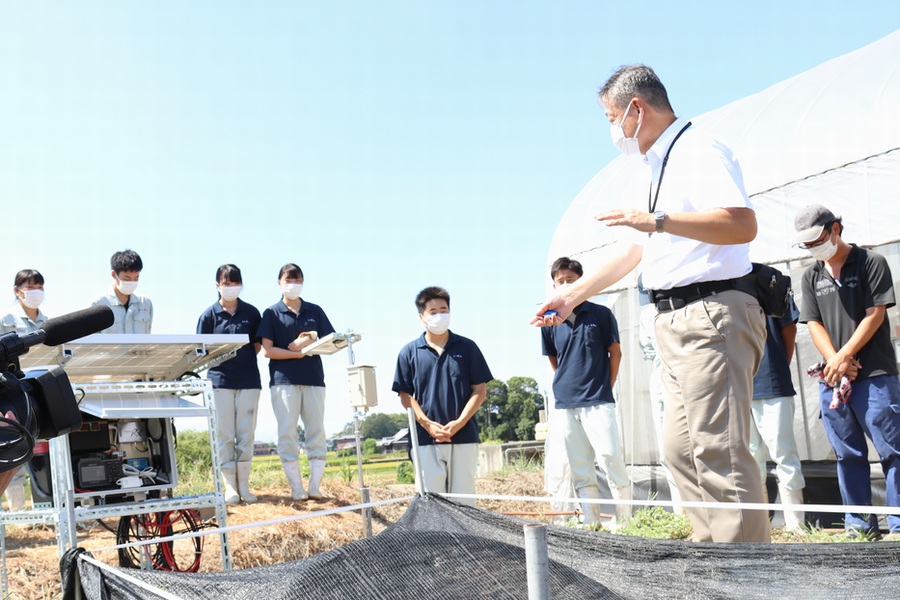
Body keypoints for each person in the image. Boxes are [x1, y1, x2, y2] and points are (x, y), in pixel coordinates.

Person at [533, 64, 769, 542]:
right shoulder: (650, 168)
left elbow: (742, 225)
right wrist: (572, 295)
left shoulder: (700, 149)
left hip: (711, 312)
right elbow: (633, 251)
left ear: (637, 110)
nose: (612, 129)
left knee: (718, 451)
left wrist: (658, 220)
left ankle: (747, 576)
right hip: (671, 320)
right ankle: (713, 559)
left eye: (611, 116)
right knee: (681, 452)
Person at [794, 204, 900, 540]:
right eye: (807, 244)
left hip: (875, 375)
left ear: (835, 228)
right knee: (847, 455)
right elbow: (813, 322)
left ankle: (898, 527)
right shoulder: (811, 276)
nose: (814, 249)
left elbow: (875, 313)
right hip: (833, 378)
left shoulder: (871, 262)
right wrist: (836, 360)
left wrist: (844, 356)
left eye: (818, 240)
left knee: (893, 451)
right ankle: (859, 528)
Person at [541, 257, 632, 527]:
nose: (566, 284)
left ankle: (627, 525)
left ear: (582, 281)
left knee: (610, 458)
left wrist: (607, 384)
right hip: (566, 402)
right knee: (580, 467)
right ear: (554, 285)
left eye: (571, 279)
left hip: (598, 399)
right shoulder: (549, 320)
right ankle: (593, 525)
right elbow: (554, 359)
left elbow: (615, 352)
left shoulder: (601, 314)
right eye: (561, 281)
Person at [392, 286, 493, 507]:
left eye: (444, 310)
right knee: (431, 503)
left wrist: (459, 423)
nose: (439, 315)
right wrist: (428, 425)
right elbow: (405, 395)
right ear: (422, 317)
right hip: (425, 440)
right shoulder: (409, 352)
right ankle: (436, 543)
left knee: (465, 502)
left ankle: (466, 543)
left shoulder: (467, 347)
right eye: (433, 311)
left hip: (463, 436)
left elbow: (480, 390)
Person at [258, 264, 335, 502]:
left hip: (313, 380)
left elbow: (330, 341)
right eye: (288, 279)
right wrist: (297, 353)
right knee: (287, 434)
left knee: (316, 432)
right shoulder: (271, 313)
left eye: (297, 279)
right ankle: (296, 488)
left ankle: (314, 486)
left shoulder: (315, 310)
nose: (293, 283)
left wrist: (307, 341)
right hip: (284, 382)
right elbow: (268, 351)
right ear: (279, 283)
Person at [197, 264, 262, 505]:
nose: (231, 287)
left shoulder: (252, 313)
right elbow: (201, 351)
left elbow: (257, 345)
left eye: (235, 283)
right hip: (219, 381)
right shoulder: (208, 316)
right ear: (217, 286)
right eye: (226, 283)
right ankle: (229, 487)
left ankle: (244, 485)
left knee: (246, 433)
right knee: (225, 434)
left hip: (248, 380)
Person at [749, 298, 806, 531]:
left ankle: (796, 526)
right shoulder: (720, 281)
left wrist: (781, 362)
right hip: (738, 386)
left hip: (772, 380)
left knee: (784, 454)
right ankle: (760, 525)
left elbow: (789, 325)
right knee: (749, 459)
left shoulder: (770, 281)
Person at [1, 269, 49, 512]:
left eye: (39, 286)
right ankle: (16, 512)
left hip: (38, 390)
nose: (35, 292)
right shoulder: (5, 320)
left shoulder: (48, 323)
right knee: (11, 450)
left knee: (43, 455)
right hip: (10, 393)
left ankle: (47, 507)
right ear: (17, 290)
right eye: (29, 287)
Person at [636, 276, 683, 515]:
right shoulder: (646, 315)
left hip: (680, 376)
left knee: (684, 446)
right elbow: (647, 350)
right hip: (663, 379)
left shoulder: (684, 304)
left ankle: (694, 511)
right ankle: (682, 513)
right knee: (669, 449)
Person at [91, 249, 153, 333]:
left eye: (136, 278)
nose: (132, 283)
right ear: (114, 274)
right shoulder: (98, 304)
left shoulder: (145, 303)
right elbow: (91, 341)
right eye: (127, 279)